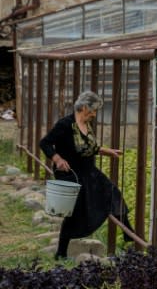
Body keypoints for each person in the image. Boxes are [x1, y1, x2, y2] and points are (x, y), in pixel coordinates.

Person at [39, 90, 133, 260]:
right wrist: (57, 158)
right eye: (93, 110)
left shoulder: (87, 124)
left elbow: (91, 147)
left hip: (89, 170)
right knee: (74, 211)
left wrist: (108, 151)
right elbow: (44, 143)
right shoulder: (65, 125)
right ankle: (61, 253)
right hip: (70, 173)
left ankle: (129, 235)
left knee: (113, 192)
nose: (95, 114)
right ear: (83, 107)